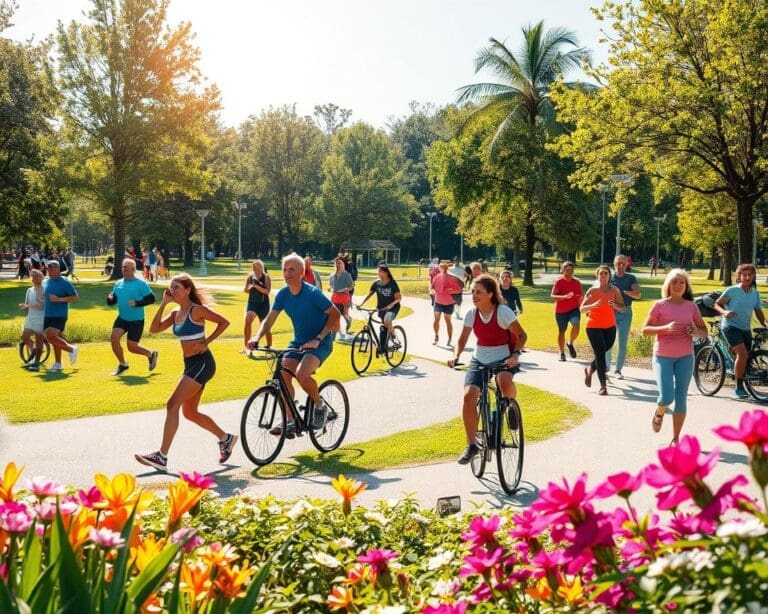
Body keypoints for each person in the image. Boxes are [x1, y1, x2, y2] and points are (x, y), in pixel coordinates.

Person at [135, 274, 235, 471]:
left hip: (203, 363)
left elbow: (224, 322)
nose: (173, 291)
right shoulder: (175, 313)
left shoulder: (196, 311)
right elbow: (154, 329)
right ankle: (226, 438)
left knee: (172, 404)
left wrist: (208, 341)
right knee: (190, 412)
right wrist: (163, 304)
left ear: (188, 290)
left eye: (177, 287)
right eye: (171, 287)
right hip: (190, 364)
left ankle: (161, 457)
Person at [250, 253, 340, 438]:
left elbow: (335, 314)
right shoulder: (283, 294)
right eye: (284, 269)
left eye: (292, 269)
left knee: (301, 374)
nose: (287, 273)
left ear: (301, 272)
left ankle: (319, 406)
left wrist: (318, 337)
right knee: (283, 376)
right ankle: (290, 421)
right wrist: (257, 337)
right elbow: (269, 319)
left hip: (320, 342)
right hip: (298, 343)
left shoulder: (313, 293)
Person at [448, 274, 527, 465]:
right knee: (469, 396)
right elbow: (462, 340)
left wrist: (515, 355)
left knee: (504, 383)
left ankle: (512, 408)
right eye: (473, 291)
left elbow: (522, 335)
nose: (474, 295)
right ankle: (472, 445)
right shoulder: (471, 314)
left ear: (491, 294)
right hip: (479, 358)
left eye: (479, 292)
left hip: (503, 357)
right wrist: (456, 356)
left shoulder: (503, 312)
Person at [642, 269, 707, 445]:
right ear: (668, 285)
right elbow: (645, 330)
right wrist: (663, 328)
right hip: (663, 356)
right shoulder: (660, 305)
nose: (678, 285)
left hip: (685, 357)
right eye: (674, 282)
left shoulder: (691, 306)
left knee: (681, 399)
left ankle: (675, 438)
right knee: (666, 397)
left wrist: (695, 331)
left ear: (686, 286)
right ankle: (659, 412)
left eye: (681, 283)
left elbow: (704, 331)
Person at [714, 263, 767, 399]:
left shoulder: (754, 294)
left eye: (750, 275)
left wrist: (765, 323)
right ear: (739, 276)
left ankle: (741, 378)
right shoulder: (732, 290)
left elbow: (758, 311)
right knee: (742, 355)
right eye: (745, 275)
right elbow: (717, 304)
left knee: (746, 357)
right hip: (730, 326)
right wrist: (724, 312)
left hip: (745, 328)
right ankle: (738, 388)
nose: (747, 277)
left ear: (753, 276)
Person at [107, 258, 158, 376]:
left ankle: (151, 354)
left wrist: (137, 303)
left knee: (132, 347)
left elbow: (151, 299)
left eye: (127, 267)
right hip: (122, 318)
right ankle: (123, 364)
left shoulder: (141, 284)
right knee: (114, 338)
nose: (124, 269)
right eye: (123, 267)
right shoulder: (118, 283)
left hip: (136, 320)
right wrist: (110, 299)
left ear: (133, 270)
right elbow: (113, 299)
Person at [581, 265, 625, 395]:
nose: (603, 275)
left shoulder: (615, 291)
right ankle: (603, 386)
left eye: (606, 273)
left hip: (610, 326)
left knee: (603, 350)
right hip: (593, 326)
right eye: (601, 273)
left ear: (609, 276)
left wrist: (616, 306)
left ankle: (590, 370)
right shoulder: (592, 291)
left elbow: (623, 308)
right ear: (597, 276)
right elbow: (582, 309)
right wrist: (592, 305)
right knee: (600, 356)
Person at [606, 255, 641, 379]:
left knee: (622, 342)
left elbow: (638, 295)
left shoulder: (631, 278)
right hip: (611, 312)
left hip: (626, 312)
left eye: (623, 264)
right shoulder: (609, 278)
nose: (620, 266)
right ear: (614, 264)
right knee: (609, 340)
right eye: (618, 263)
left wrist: (628, 293)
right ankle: (606, 368)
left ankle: (618, 370)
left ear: (627, 265)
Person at [42, 260, 79, 371]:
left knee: (49, 334)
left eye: (52, 267)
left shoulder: (64, 282)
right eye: (48, 267)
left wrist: (59, 299)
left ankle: (72, 349)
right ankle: (58, 364)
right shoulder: (46, 282)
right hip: (47, 314)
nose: (49, 269)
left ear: (58, 269)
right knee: (53, 338)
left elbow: (75, 296)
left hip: (59, 315)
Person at [359, 263, 402, 354]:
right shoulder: (376, 283)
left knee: (387, 319)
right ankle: (383, 347)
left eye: (381, 272)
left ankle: (395, 338)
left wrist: (391, 305)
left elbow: (399, 298)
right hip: (381, 309)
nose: (379, 273)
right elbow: (369, 294)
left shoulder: (392, 283)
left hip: (393, 308)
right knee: (384, 327)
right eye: (378, 272)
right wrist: (361, 304)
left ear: (386, 273)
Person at [551, 261, 583, 362]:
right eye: (567, 270)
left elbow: (581, 295)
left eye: (571, 270)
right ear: (563, 270)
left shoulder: (577, 282)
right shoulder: (559, 282)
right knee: (562, 332)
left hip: (574, 309)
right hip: (561, 311)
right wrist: (564, 297)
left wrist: (583, 300)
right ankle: (562, 353)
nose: (569, 272)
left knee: (576, 324)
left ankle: (570, 343)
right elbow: (553, 297)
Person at [430, 260, 463, 346]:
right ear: (439, 269)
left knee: (447, 320)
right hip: (438, 302)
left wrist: (449, 291)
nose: (442, 269)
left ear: (446, 268)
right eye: (441, 268)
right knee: (436, 319)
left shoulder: (451, 278)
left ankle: (449, 338)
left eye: (444, 268)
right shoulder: (436, 277)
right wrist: (433, 292)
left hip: (449, 303)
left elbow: (458, 290)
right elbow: (432, 288)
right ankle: (436, 336)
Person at [242, 259, 272, 351]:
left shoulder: (266, 277)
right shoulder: (250, 277)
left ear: (261, 267)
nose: (255, 268)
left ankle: (269, 345)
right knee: (248, 320)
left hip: (263, 304)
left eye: (257, 266)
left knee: (265, 326)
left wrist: (257, 287)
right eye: (254, 267)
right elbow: (245, 290)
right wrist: (248, 288)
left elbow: (267, 292)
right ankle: (246, 346)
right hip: (252, 304)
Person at [19, 269, 46, 371]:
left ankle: (36, 363)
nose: (34, 278)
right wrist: (24, 306)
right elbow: (27, 304)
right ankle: (33, 351)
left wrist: (28, 305)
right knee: (25, 337)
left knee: (39, 341)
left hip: (40, 317)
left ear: (41, 278)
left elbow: (42, 305)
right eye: (33, 276)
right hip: (30, 317)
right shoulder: (29, 290)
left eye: (37, 276)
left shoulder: (43, 290)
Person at [328, 256, 355, 339]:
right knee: (335, 316)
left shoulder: (347, 275)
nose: (338, 265)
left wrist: (346, 289)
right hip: (335, 297)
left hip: (344, 298)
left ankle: (348, 320)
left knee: (344, 314)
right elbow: (331, 286)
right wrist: (330, 289)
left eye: (340, 263)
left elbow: (351, 286)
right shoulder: (332, 275)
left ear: (343, 264)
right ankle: (335, 334)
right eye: (337, 263)